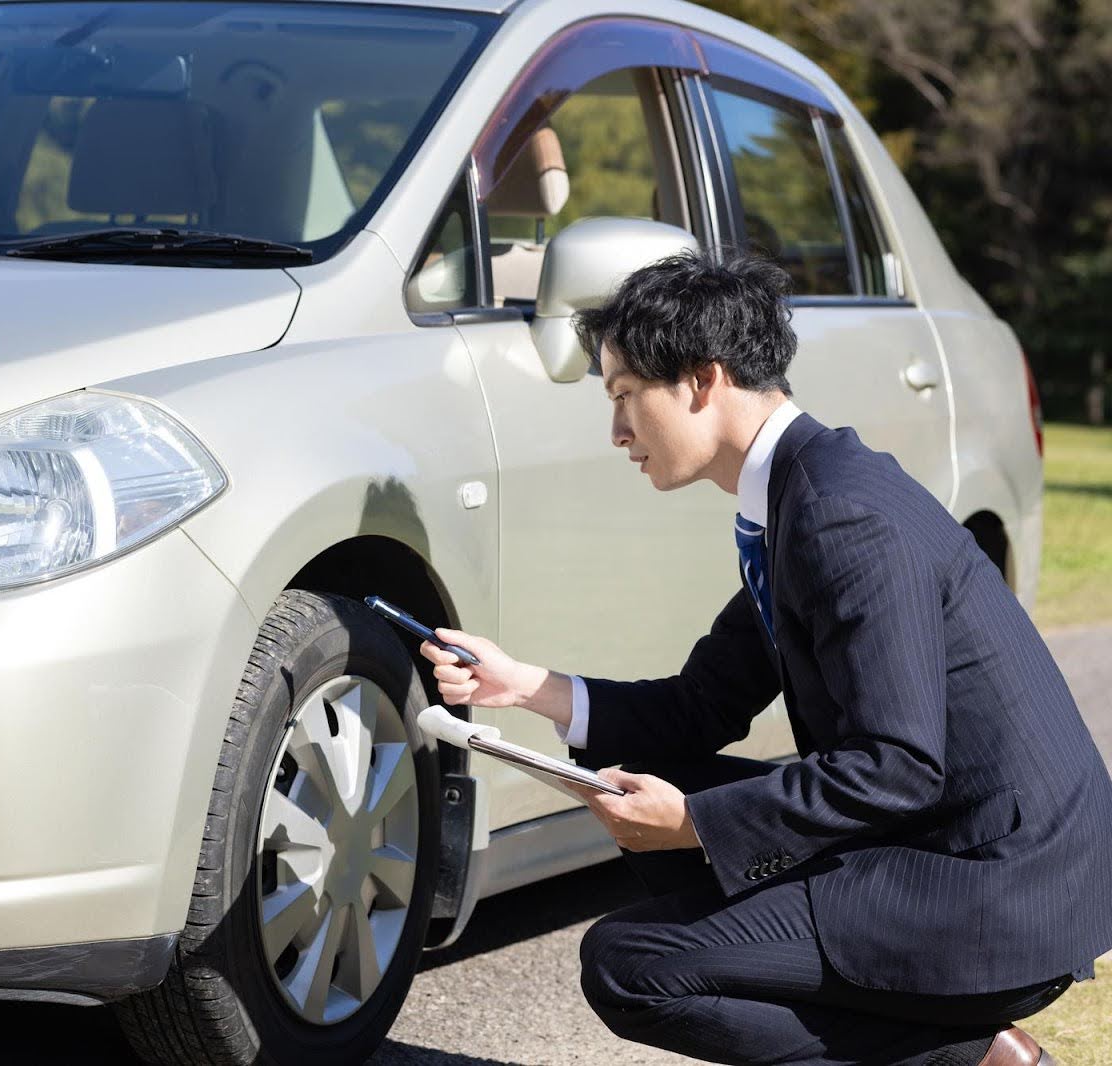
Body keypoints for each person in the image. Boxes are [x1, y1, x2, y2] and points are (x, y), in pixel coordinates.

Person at [419, 250, 1112, 1066]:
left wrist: (692, 821)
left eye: (625, 397)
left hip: (993, 887)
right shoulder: (797, 496)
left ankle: (970, 1056)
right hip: (954, 845)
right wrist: (524, 686)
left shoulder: (838, 517)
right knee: (641, 780)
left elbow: (897, 766)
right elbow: (697, 708)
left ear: (702, 381)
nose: (615, 432)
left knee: (630, 965)